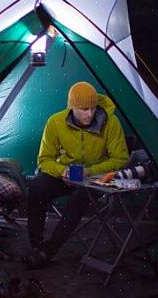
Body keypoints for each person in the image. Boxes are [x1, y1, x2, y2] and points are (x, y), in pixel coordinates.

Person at [25, 81, 129, 267]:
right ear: (72, 107)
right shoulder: (55, 122)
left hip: (95, 178)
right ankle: (36, 246)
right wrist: (62, 171)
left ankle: (47, 252)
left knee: (79, 198)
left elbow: (120, 160)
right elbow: (44, 159)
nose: (90, 114)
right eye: (83, 109)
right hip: (65, 174)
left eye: (93, 108)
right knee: (36, 188)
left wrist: (89, 171)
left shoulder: (111, 123)